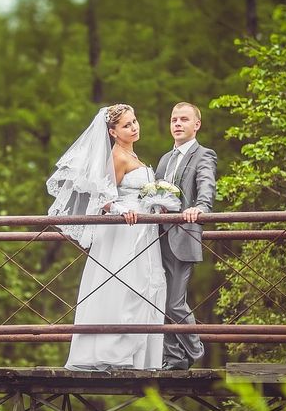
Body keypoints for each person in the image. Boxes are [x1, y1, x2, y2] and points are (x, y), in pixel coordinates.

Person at [46, 104, 167, 371]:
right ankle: (115, 352)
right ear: (112, 132)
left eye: (135, 121)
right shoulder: (117, 157)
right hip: (125, 232)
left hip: (144, 232)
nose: (134, 127)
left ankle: (140, 356)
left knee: (147, 284)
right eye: (126, 125)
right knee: (125, 285)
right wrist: (123, 209)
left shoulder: (133, 155)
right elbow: (104, 199)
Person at [154, 102, 217, 371]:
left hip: (182, 236)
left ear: (196, 125)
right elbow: (154, 192)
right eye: (173, 119)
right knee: (158, 301)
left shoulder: (204, 155)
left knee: (174, 302)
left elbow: (206, 185)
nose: (177, 124)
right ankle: (174, 358)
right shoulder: (165, 160)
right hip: (157, 237)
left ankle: (194, 347)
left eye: (183, 119)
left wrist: (200, 207)